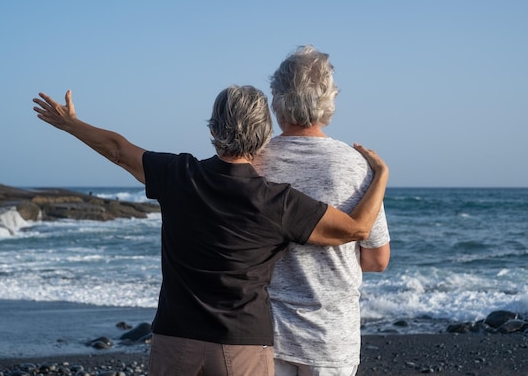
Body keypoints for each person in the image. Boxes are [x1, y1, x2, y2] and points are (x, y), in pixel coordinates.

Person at [32, 84, 389, 376]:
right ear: (265, 136)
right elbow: (357, 229)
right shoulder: (276, 202)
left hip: (175, 338)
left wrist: (70, 124)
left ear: (213, 130)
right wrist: (381, 176)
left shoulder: (179, 175)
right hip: (243, 345)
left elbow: (117, 149)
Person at [253, 45, 391, 376]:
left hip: (265, 333)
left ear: (277, 99)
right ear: (329, 99)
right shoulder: (357, 166)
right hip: (332, 338)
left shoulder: (254, 162)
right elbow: (377, 260)